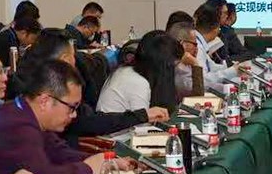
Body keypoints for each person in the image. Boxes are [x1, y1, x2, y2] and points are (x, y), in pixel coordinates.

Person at [15, 29, 167, 136]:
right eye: (74, 55)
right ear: (65, 60)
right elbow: (87, 122)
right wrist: (140, 116)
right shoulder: (52, 92)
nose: (73, 114)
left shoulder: (27, 82)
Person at [99, 30, 185, 115]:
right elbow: (144, 121)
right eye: (173, 66)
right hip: (117, 124)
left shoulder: (127, 70)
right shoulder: (138, 82)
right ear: (163, 66)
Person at [193, 4, 246, 94]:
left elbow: (211, 67)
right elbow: (204, 80)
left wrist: (232, 68)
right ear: (215, 28)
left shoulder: (200, 43)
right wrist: (232, 71)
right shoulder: (197, 47)